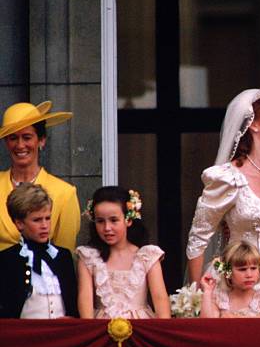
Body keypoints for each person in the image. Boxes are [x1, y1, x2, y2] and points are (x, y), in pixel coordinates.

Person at [186, 86, 260, 317]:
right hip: (238, 284)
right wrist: (199, 293)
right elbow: (198, 238)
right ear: (253, 124)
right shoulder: (228, 178)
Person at [76, 186, 170, 319]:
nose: (107, 228)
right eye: (100, 221)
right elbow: (85, 300)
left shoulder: (147, 256)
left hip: (140, 328)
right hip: (101, 328)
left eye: (114, 220)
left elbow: (160, 300)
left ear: (128, 220)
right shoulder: (88, 257)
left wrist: (161, 336)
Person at [0, 101, 80, 251]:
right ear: (6, 142)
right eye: (13, 138)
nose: (20, 145)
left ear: (41, 140)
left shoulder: (64, 193)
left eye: (27, 137)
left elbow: (64, 256)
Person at [0, 183, 77, 318]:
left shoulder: (62, 256)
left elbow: (72, 303)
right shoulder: (7, 259)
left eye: (47, 218)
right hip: (25, 336)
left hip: (62, 335)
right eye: (37, 220)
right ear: (19, 223)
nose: (45, 225)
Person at [200, 241, 260, 318]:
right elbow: (207, 324)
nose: (249, 275)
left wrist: (236, 318)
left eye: (253, 268)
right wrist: (207, 291)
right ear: (227, 273)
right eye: (242, 269)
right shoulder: (220, 298)